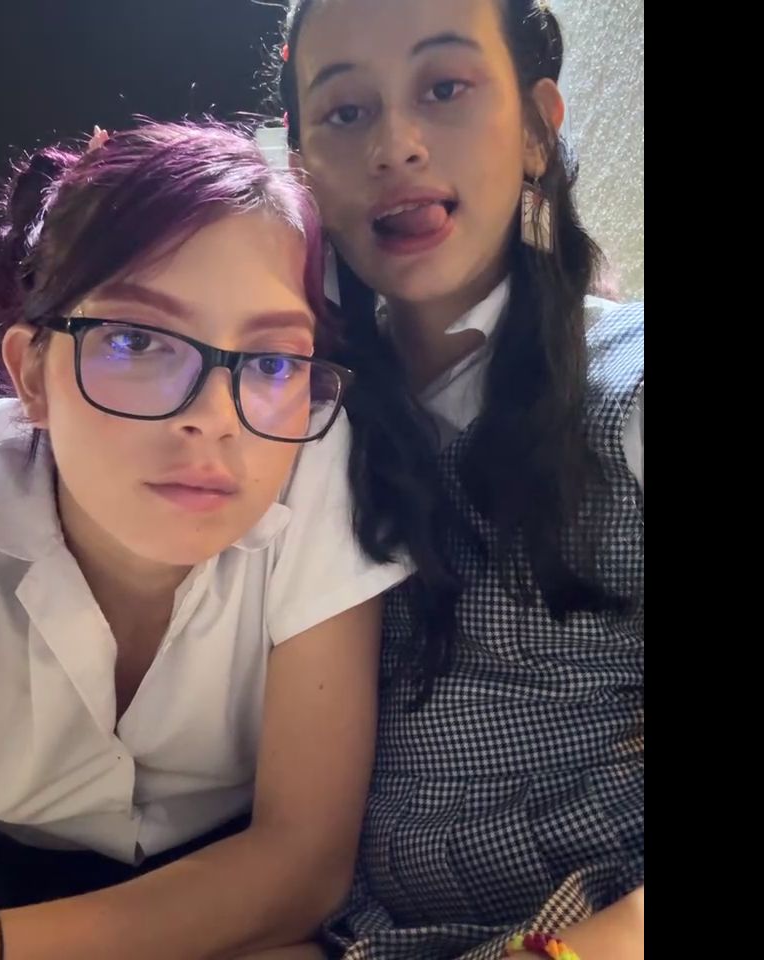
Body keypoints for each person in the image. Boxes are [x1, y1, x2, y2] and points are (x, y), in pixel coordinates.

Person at [0, 120, 410, 960]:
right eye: (136, 340)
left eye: (272, 361)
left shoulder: (314, 458)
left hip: (244, 894)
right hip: (13, 866)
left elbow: (301, 863)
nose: (214, 419)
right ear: (33, 374)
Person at [273, 1, 644, 956]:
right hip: (352, 931)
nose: (394, 145)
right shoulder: (288, 409)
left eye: (445, 88)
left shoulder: (630, 388)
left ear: (536, 131)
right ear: (302, 165)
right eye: (345, 111)